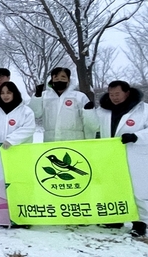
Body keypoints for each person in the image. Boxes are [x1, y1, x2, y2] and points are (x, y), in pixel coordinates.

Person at [83, 80, 148, 237]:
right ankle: (115, 218)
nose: (114, 98)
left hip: (135, 154)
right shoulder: (104, 110)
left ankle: (140, 223)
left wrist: (136, 136)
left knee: (137, 189)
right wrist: (89, 112)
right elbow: (94, 127)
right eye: (111, 94)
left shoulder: (143, 110)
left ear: (127, 92)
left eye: (117, 94)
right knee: (113, 187)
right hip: (111, 155)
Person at [29, 67, 91, 142]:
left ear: (68, 79)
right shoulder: (44, 96)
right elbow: (35, 114)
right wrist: (37, 97)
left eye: (63, 77)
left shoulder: (79, 97)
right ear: (52, 80)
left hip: (75, 140)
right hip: (51, 140)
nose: (59, 80)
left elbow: (88, 122)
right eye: (56, 77)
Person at [0, 81, 35, 148]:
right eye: (2, 93)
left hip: (19, 150)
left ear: (14, 93)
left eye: (9, 92)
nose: (5, 95)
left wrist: (11, 140)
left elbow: (28, 129)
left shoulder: (26, 111)